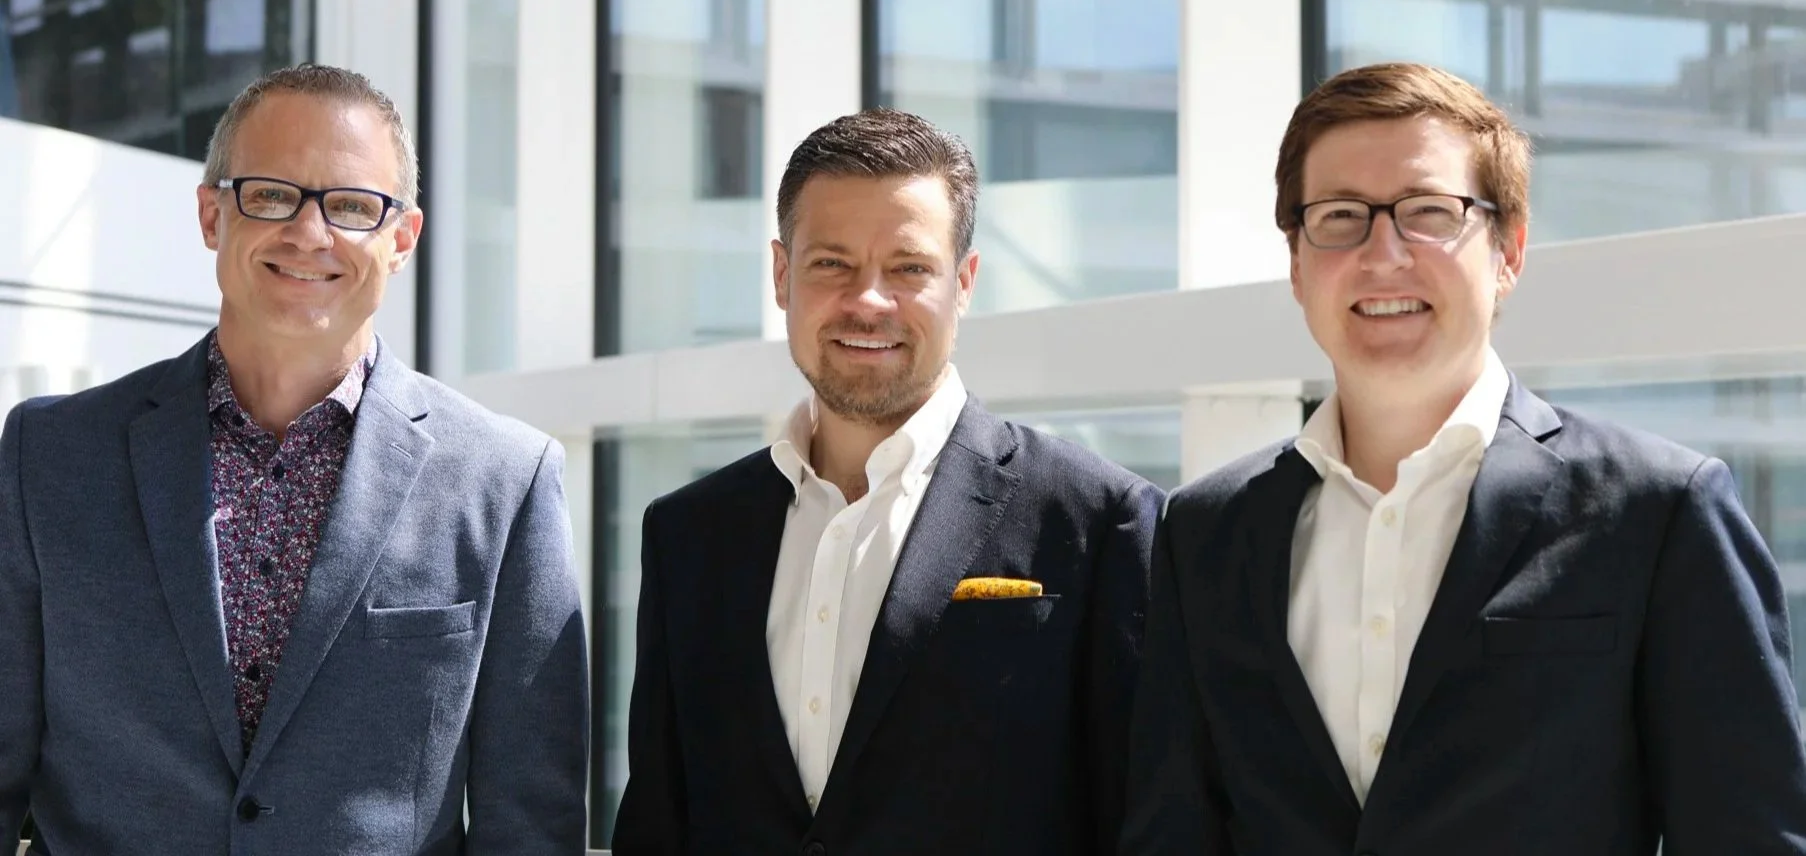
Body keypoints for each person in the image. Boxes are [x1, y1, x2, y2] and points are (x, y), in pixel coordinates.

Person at [1121, 61, 1806, 855]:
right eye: (1341, 216)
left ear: (1509, 251)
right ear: (1298, 263)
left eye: (1428, 213)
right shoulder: (1206, 530)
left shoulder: (1658, 510)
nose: (1384, 254)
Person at [0, 64, 589, 854]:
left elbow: (531, 824)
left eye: (350, 206)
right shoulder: (50, 456)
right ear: (213, 215)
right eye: (272, 195)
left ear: (403, 238)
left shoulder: (505, 481)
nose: (309, 234)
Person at [612, 107, 1162, 855]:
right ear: (782, 276)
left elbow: (1143, 822)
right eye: (831, 264)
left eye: (909, 269)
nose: (868, 301)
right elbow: (658, 823)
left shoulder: (1098, 520)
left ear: (964, 283)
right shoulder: (688, 534)